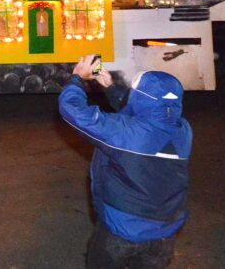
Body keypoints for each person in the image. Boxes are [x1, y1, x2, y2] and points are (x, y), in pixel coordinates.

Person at [59, 56, 192, 269]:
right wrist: (110, 87)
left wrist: (77, 79)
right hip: (165, 233)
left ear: (140, 97)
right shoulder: (183, 130)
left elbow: (72, 110)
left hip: (121, 231)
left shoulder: (124, 132)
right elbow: (147, 113)